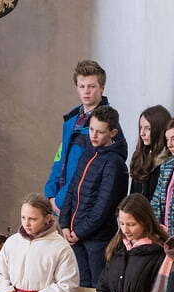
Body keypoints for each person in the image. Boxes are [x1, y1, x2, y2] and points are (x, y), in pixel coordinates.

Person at [58, 105, 130, 287]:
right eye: (91, 129)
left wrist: (79, 232)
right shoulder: (87, 153)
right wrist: (64, 223)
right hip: (75, 234)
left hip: (97, 240)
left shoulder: (114, 164)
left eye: (100, 132)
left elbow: (103, 207)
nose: (94, 135)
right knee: (80, 285)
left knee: (98, 287)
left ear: (113, 133)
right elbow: (72, 189)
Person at [44, 60, 125, 215]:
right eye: (82, 86)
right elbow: (60, 159)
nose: (86, 91)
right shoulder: (71, 121)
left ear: (102, 88)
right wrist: (51, 194)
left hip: (83, 207)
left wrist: (60, 200)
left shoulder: (107, 124)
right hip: (62, 204)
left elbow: (89, 171)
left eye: (92, 86)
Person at [129, 105, 171, 200]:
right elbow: (133, 193)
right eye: (140, 127)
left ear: (160, 129)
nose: (142, 133)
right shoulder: (140, 155)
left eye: (148, 128)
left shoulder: (168, 161)